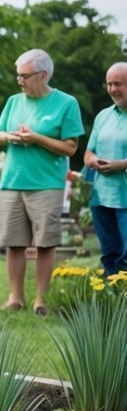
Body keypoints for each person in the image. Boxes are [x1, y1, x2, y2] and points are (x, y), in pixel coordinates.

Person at [0, 49, 84, 314]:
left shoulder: (66, 103)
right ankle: (16, 297)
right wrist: (11, 137)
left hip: (46, 183)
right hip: (12, 181)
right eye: (18, 75)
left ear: (43, 75)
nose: (19, 81)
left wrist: (36, 139)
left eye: (25, 76)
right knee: (14, 242)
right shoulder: (13, 101)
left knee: (45, 242)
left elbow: (70, 147)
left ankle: (41, 299)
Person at [83, 62, 127, 275]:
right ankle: (113, 303)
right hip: (101, 197)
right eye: (109, 84)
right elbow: (88, 153)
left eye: (117, 84)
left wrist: (122, 164)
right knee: (109, 254)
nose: (112, 90)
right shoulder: (103, 116)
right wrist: (92, 161)